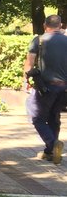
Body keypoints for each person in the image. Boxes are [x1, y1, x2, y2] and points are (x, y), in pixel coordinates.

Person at [23, 14, 67, 164]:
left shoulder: (39, 40)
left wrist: (26, 80)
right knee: (54, 118)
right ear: (60, 26)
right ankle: (50, 152)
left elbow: (29, 63)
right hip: (64, 88)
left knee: (36, 116)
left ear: (44, 25)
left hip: (46, 87)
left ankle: (53, 143)